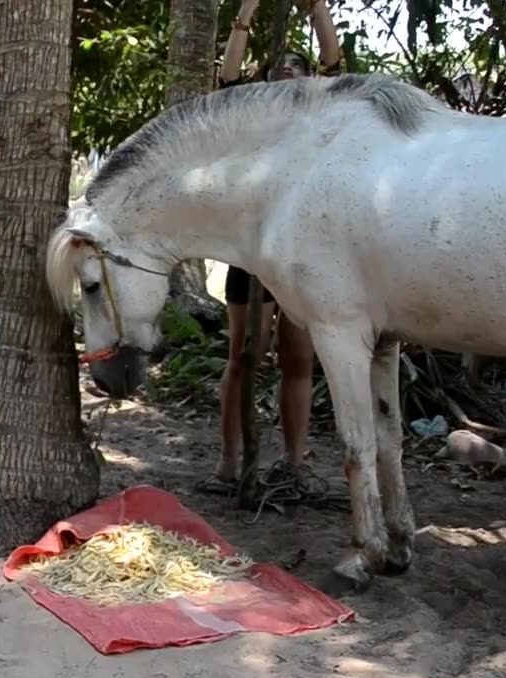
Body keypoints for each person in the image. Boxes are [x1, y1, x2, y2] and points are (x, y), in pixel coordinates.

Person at [201, 0, 344, 494]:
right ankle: (228, 461)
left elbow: (334, 66)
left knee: (298, 358)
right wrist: (246, 11)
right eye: (281, 63)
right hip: (254, 250)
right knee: (243, 354)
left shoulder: (317, 114)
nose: (289, 66)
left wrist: (318, 9)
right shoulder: (255, 114)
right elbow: (227, 80)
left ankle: (294, 464)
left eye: (297, 65)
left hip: (304, 254)